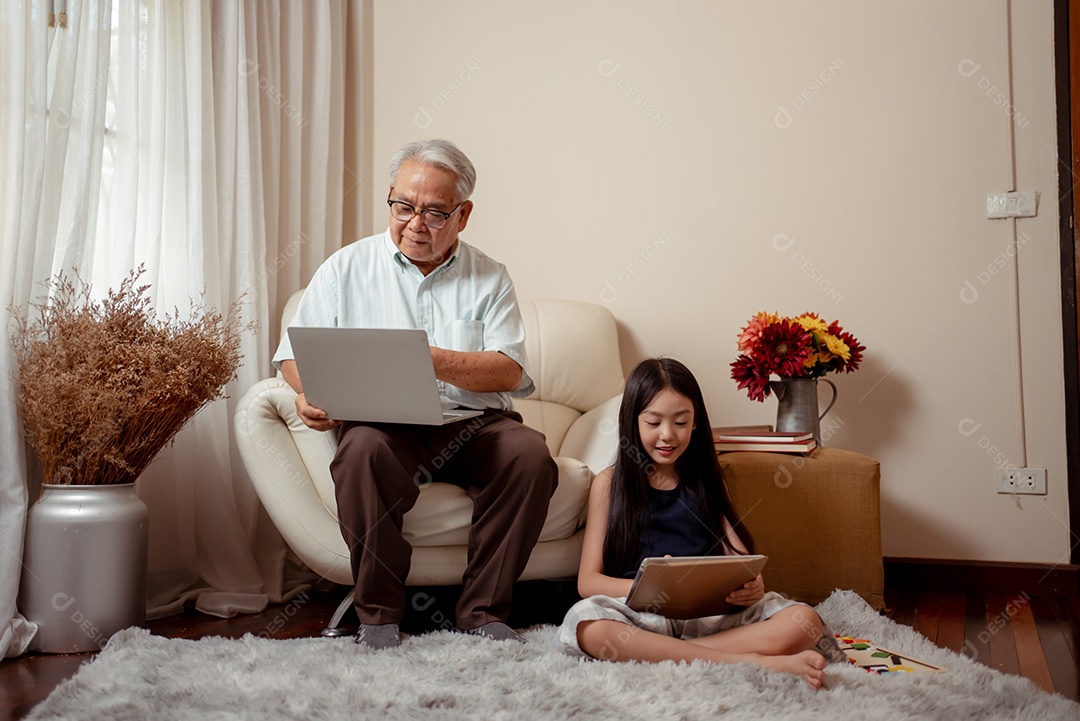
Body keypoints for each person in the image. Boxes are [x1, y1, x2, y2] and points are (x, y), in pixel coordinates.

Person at [273, 139, 558, 650]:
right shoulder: (345, 268)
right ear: (389, 197)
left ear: (463, 215)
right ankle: (379, 616)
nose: (414, 224)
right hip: (387, 423)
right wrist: (309, 393)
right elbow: (291, 357)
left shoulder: (489, 276)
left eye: (434, 212)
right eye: (403, 206)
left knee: (531, 455)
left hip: (473, 426)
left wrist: (431, 359)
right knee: (360, 451)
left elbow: (508, 369)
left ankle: (483, 612)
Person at [556, 358, 845, 689]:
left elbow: (740, 560)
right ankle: (749, 660)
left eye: (681, 422)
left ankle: (669, 654)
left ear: (696, 423)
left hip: (710, 617)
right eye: (653, 423)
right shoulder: (609, 484)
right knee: (588, 624)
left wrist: (753, 585)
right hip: (640, 616)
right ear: (632, 422)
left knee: (802, 620)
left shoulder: (708, 480)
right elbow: (588, 582)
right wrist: (647, 585)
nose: (667, 435)